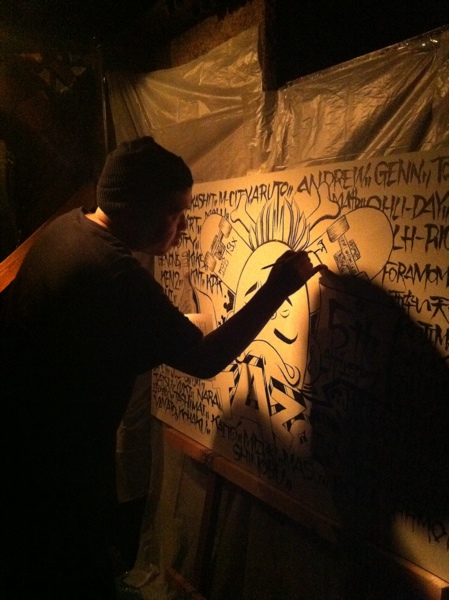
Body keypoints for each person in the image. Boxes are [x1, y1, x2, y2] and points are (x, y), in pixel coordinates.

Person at [0, 136, 326, 600]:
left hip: (25, 453)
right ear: (138, 209)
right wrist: (277, 288)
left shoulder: (66, 231)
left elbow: (101, 330)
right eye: (176, 212)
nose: (184, 226)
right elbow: (206, 359)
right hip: (56, 479)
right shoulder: (115, 272)